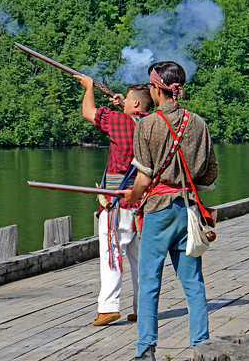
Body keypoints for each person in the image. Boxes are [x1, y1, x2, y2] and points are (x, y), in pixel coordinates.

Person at [117, 61, 218, 360]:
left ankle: (146, 350)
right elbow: (210, 175)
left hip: (159, 211)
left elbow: (144, 178)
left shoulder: (147, 124)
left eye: (150, 86)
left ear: (157, 90)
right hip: (188, 210)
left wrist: (132, 195)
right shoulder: (198, 123)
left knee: (149, 282)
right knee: (193, 283)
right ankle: (201, 348)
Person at [75, 74, 153, 327]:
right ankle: (143, 308)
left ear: (137, 104)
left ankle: (109, 307)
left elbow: (89, 112)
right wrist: (123, 103)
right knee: (141, 258)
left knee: (111, 253)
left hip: (117, 201)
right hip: (144, 202)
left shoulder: (120, 121)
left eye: (128, 99)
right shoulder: (153, 123)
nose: (124, 101)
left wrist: (89, 88)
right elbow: (132, 116)